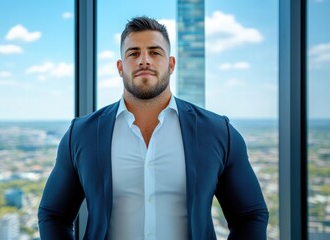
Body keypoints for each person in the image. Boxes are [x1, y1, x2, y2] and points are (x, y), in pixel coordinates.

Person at [38, 16, 268, 240]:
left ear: (171, 64)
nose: (144, 60)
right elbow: (53, 215)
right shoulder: (81, 134)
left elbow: (249, 215)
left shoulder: (219, 132)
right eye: (133, 53)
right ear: (120, 67)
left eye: (155, 52)